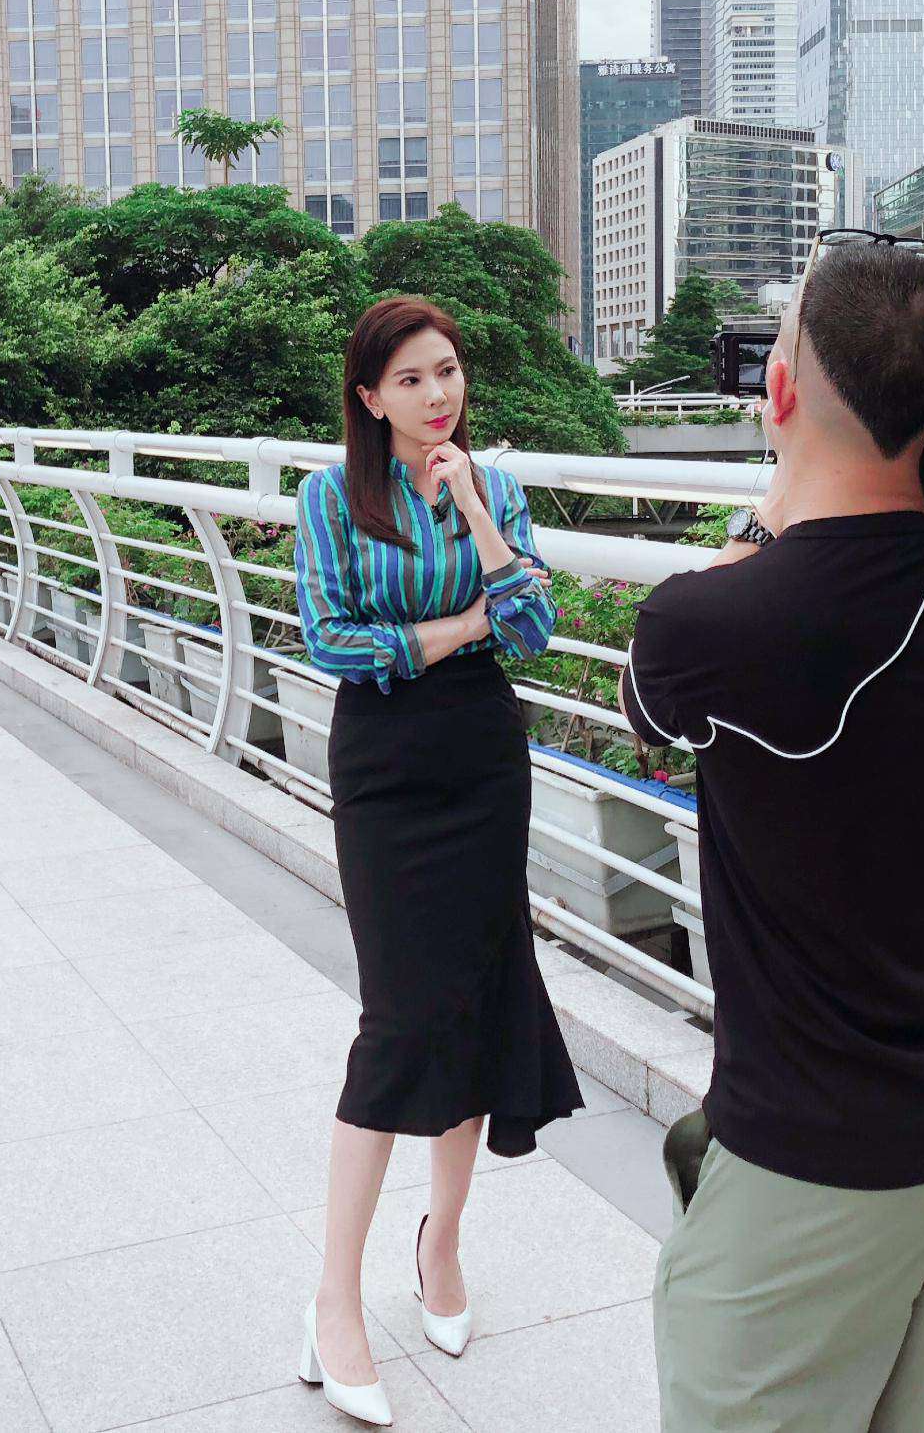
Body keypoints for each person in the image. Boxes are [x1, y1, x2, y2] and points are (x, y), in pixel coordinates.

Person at [620, 239, 924, 1433]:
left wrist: (767, 525)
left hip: (814, 1167)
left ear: (777, 396)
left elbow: (654, 713)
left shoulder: (705, 621)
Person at [292, 295, 584, 1428]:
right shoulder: (330, 496)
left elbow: (536, 630)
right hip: (385, 766)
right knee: (399, 1017)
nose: (437, 394)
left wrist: (477, 514)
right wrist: (458, 623)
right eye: (410, 378)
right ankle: (332, 1299)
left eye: (448, 372)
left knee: (473, 991)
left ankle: (442, 1245)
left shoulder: (492, 487)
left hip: (481, 754)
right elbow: (333, 639)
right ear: (370, 396)